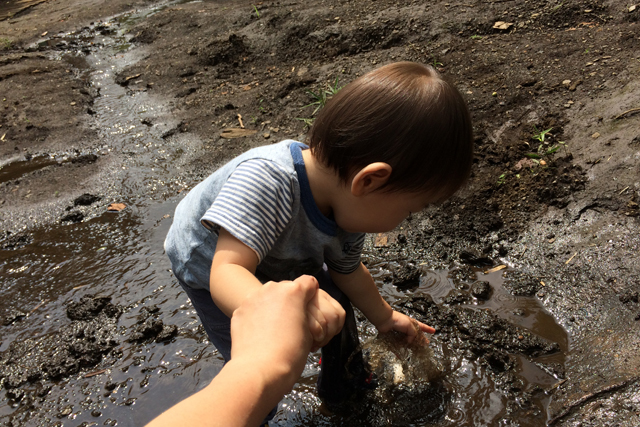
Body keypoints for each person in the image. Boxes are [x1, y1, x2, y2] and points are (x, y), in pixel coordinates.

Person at [164, 61, 473, 419]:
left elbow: (348, 271)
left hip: (278, 254)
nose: (406, 221)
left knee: (337, 303)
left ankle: (344, 388)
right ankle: (251, 413)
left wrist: (386, 317)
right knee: (256, 362)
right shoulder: (269, 181)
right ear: (370, 181)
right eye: (411, 209)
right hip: (211, 264)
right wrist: (278, 317)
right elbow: (226, 272)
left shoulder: (351, 209)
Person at [146, 275, 346, 427]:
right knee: (234, 345)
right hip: (203, 269)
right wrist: (264, 366)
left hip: (258, 271)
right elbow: (224, 269)